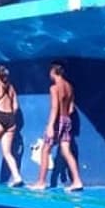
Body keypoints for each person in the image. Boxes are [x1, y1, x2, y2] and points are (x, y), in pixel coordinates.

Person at [30, 62, 84, 192]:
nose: (49, 74)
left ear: (54, 72)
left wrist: (50, 126)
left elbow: (54, 108)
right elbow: (71, 109)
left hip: (56, 121)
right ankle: (77, 181)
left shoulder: (54, 88)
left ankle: (41, 182)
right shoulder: (69, 87)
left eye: (50, 71)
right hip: (67, 120)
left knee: (45, 150)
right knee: (66, 151)